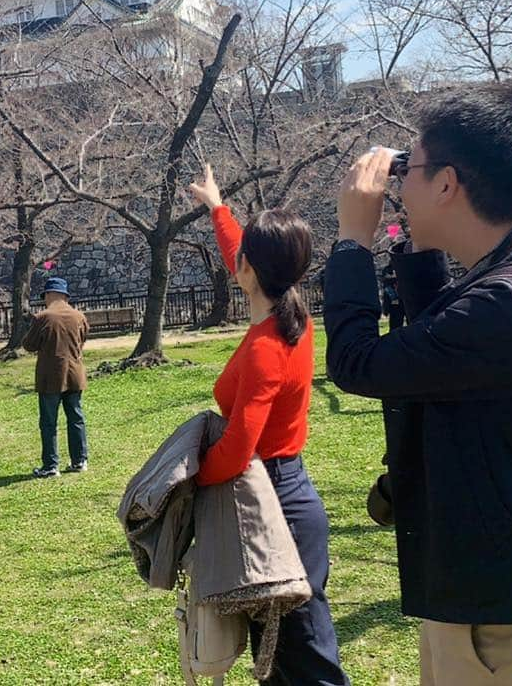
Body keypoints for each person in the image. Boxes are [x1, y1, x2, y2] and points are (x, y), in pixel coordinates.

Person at [324, 85, 512, 685]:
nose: (399, 185)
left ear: (448, 184)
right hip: (503, 596)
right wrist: (411, 240)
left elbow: (356, 362)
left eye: (410, 170)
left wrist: (353, 238)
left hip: (511, 625)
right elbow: (447, 347)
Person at [188, 165, 350, 686]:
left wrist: (190, 480)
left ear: (250, 272)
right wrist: (218, 207)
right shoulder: (286, 314)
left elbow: (238, 449)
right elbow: (240, 248)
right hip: (281, 489)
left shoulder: (265, 347)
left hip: (274, 499)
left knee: (304, 658)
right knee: (276, 654)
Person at [22, 277, 89, 478]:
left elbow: (29, 345)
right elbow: (83, 338)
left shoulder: (43, 317)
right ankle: (80, 460)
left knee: (49, 422)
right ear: (65, 296)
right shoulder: (79, 316)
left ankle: (51, 465)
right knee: (76, 417)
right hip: (75, 373)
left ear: (49, 295)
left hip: (50, 376)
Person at [378, 258, 404, 331]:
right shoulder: (387, 269)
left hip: (403, 299)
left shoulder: (402, 268)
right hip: (394, 301)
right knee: (395, 323)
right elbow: (386, 282)